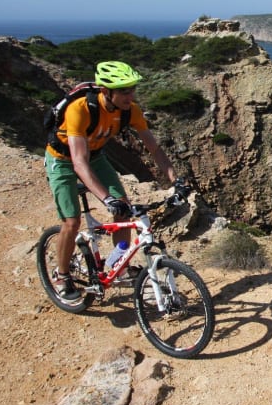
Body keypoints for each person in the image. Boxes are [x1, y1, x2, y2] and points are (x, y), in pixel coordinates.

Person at [45, 60, 186, 300]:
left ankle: (118, 266)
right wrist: (106, 198)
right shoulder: (80, 109)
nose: (130, 96)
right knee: (72, 221)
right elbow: (79, 162)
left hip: (96, 157)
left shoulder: (130, 110)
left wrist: (176, 181)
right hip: (63, 159)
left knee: (124, 209)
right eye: (123, 91)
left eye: (132, 90)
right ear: (105, 91)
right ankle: (62, 274)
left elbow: (154, 149)